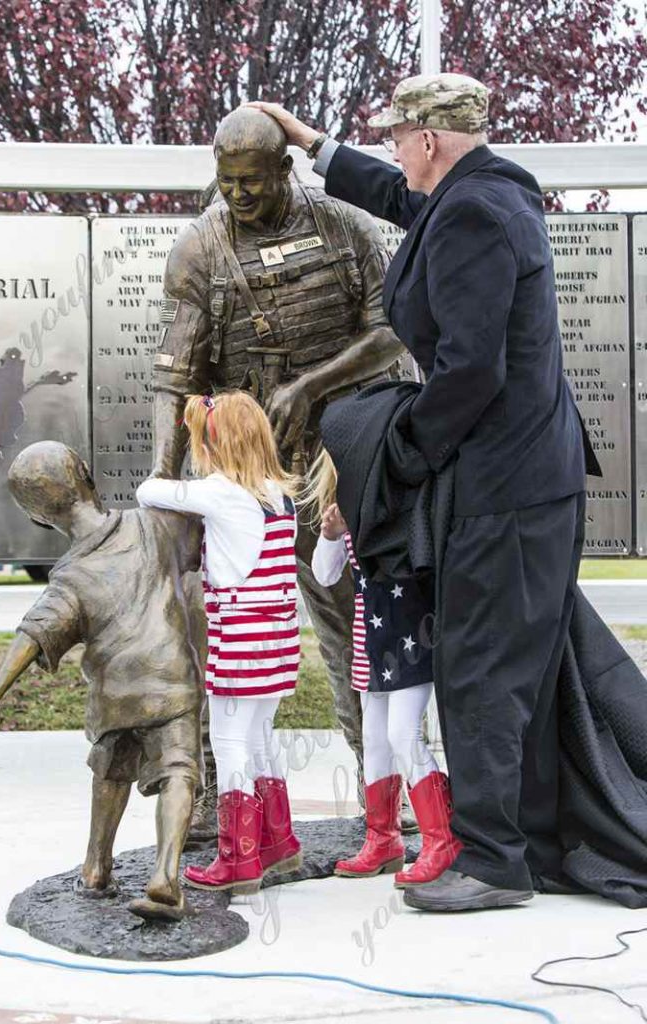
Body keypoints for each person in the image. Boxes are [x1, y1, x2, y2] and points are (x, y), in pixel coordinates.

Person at [251, 72, 602, 912]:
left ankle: (491, 864)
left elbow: (471, 370)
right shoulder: (480, 193)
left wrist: (396, 453)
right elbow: (407, 203)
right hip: (522, 478)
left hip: (504, 486)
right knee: (515, 661)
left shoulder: (476, 213)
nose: (391, 152)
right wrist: (312, 144)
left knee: (480, 668)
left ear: (430, 141)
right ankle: (540, 839)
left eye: (396, 139)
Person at [150, 106, 406, 841]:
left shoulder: (344, 227)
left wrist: (312, 384)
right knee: (215, 633)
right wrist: (172, 500)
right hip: (244, 475)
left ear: (285, 170)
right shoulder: (199, 249)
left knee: (358, 622)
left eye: (253, 182)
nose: (238, 195)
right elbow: (176, 377)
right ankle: (205, 799)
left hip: (341, 463)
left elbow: (393, 330)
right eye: (226, 182)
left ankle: (384, 790)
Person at [0, 441, 204, 921]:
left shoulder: (69, 576)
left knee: (109, 772)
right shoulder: (153, 523)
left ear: (37, 519)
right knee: (178, 772)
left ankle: (96, 867)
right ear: (86, 473)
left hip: (116, 695)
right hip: (173, 679)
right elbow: (206, 535)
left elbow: (34, 632)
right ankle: (166, 875)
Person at [137, 390, 303, 895]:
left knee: (229, 743)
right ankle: (277, 843)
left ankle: (239, 859)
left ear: (217, 443)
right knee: (260, 738)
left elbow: (149, 491)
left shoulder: (220, 493)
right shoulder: (280, 493)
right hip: (278, 635)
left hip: (242, 633)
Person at [308, 448, 459, 885]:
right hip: (371, 641)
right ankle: (383, 839)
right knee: (375, 740)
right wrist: (332, 534)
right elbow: (324, 574)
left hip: (411, 636)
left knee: (401, 734)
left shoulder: (398, 504)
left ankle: (440, 838)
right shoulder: (345, 513)